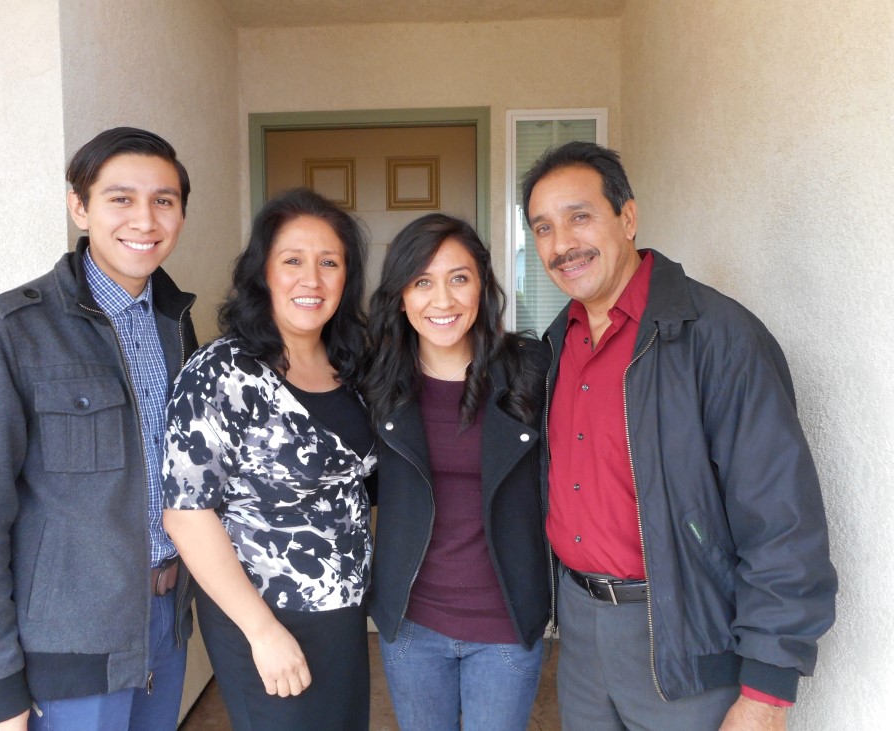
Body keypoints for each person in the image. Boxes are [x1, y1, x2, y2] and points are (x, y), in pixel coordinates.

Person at [522, 140, 837, 731]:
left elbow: (780, 517)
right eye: (543, 227)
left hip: (687, 635)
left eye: (579, 216)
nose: (562, 244)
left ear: (628, 217)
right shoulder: (555, 346)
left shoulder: (717, 337)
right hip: (580, 632)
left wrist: (768, 690)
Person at [0, 127, 197, 731]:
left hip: (164, 626)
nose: (144, 218)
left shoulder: (177, 327)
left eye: (164, 200)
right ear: (80, 207)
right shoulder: (8, 330)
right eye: (121, 198)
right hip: (66, 646)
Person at [161, 188, 376, 731]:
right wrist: (262, 631)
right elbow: (187, 513)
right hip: (264, 614)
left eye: (330, 262)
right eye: (293, 261)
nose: (313, 278)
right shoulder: (219, 373)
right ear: (263, 273)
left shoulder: (354, 366)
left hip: (344, 614)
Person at [362, 213, 552, 730]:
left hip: (506, 625)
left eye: (459, 278)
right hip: (413, 624)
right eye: (422, 281)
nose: (442, 301)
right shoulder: (375, 383)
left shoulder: (530, 370)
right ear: (400, 295)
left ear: (483, 286)